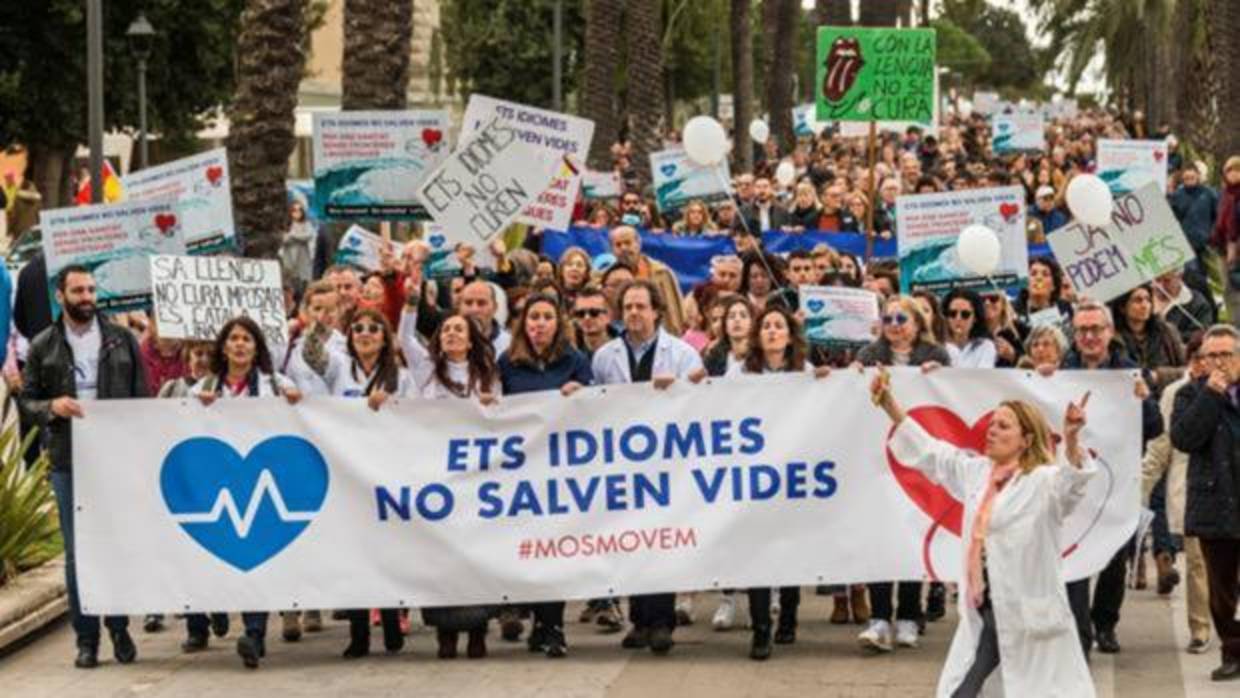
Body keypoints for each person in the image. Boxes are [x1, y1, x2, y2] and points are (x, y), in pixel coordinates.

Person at [869, 367, 1096, 696]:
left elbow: (1074, 483)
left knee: (989, 686)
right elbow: (931, 453)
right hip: (985, 603)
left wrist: (1072, 437)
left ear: (1026, 439)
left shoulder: (1043, 481)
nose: (991, 431)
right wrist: (888, 402)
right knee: (975, 680)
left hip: (1028, 611)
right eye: (992, 424)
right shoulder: (977, 474)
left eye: (1003, 426)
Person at [19, 265, 148, 669]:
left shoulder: (122, 339)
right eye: (78, 291)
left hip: (115, 459)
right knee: (78, 552)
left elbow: (141, 400)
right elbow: (27, 401)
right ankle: (86, 638)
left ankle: (119, 627)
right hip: (68, 458)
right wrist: (52, 407)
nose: (87, 297)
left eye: (91, 289)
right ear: (61, 296)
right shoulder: (43, 345)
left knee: (116, 544)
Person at [592, 280, 704, 655]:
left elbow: (701, 398)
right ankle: (639, 620)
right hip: (623, 462)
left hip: (667, 460)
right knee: (631, 540)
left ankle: (661, 622)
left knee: (661, 540)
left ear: (657, 311)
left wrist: (680, 388)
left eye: (641, 306)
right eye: (628, 307)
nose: (634, 313)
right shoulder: (605, 356)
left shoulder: (683, 354)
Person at [191, 316, 303, 669]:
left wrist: (296, 402)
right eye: (234, 339)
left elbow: (302, 422)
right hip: (218, 484)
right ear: (223, 347)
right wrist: (199, 410)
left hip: (262, 483)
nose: (240, 345)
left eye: (247, 339)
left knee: (254, 558)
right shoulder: (203, 388)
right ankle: (219, 611)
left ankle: (254, 633)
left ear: (257, 347)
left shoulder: (276, 384)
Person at [1056, 300, 1161, 657]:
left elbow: (1154, 427)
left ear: (1109, 332)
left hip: (1116, 484)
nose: (1088, 337)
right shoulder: (1060, 371)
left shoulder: (1130, 372)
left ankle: (1105, 623)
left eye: (1095, 329)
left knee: (1115, 556)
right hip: (1074, 480)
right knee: (1074, 555)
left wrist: (1145, 401)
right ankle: (1079, 631)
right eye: (1082, 330)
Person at [498, 294, 593, 658]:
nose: (539, 323)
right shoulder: (507, 362)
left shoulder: (574, 360)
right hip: (523, 471)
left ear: (558, 323)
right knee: (531, 550)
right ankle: (540, 622)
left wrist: (581, 392)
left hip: (562, 469)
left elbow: (597, 405)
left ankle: (554, 627)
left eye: (547, 317)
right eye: (533, 317)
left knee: (554, 548)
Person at [855, 294, 951, 652]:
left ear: (916, 324)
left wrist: (939, 378)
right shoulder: (869, 356)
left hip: (918, 458)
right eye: (888, 319)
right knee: (882, 533)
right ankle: (880, 618)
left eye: (901, 319)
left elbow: (950, 396)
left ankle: (909, 615)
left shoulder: (936, 356)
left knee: (912, 532)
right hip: (879, 457)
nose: (894, 326)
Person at [735, 306, 830, 660]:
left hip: (792, 475)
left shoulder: (804, 372)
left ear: (790, 336)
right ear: (758, 335)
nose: (773, 332)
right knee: (758, 550)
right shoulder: (740, 372)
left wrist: (825, 383)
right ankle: (761, 629)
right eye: (767, 326)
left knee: (788, 547)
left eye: (779, 326)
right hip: (754, 478)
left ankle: (788, 615)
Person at [414, 312, 501, 659]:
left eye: (458, 329)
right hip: (437, 475)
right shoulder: (427, 372)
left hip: (476, 477)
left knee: (476, 555)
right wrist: (412, 294)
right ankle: (445, 633)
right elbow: (406, 335)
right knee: (440, 556)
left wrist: (488, 408)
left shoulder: (488, 375)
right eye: (446, 329)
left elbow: (500, 419)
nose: (451, 334)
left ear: (471, 340)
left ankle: (478, 630)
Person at [1170, 323, 1240, 682]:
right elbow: (1184, 438)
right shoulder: (1190, 394)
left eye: (1227, 354)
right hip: (1216, 501)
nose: (1220, 362)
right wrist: (1211, 395)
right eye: (1212, 355)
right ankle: (1232, 648)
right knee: (1222, 588)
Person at [1142, 335, 1212, 653]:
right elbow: (1161, 447)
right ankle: (1200, 628)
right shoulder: (1175, 394)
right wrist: (1141, 489)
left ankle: (1224, 616)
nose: (1204, 363)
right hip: (1193, 489)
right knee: (1197, 563)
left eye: (1212, 356)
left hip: (1232, 488)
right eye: (1197, 357)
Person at [608, 226, 685, 335]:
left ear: (638, 244)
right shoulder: (604, 278)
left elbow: (675, 315)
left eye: (627, 243)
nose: (623, 248)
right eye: (618, 245)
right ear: (612, 249)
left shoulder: (661, 273)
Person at [942, 289, 996, 368]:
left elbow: (983, 376)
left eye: (965, 314)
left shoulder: (985, 346)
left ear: (975, 318)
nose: (958, 318)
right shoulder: (938, 345)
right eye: (952, 313)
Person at [571, 286, 615, 359]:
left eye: (594, 312)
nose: (587, 318)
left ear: (608, 316)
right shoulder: (568, 352)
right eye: (581, 313)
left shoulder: (625, 349)